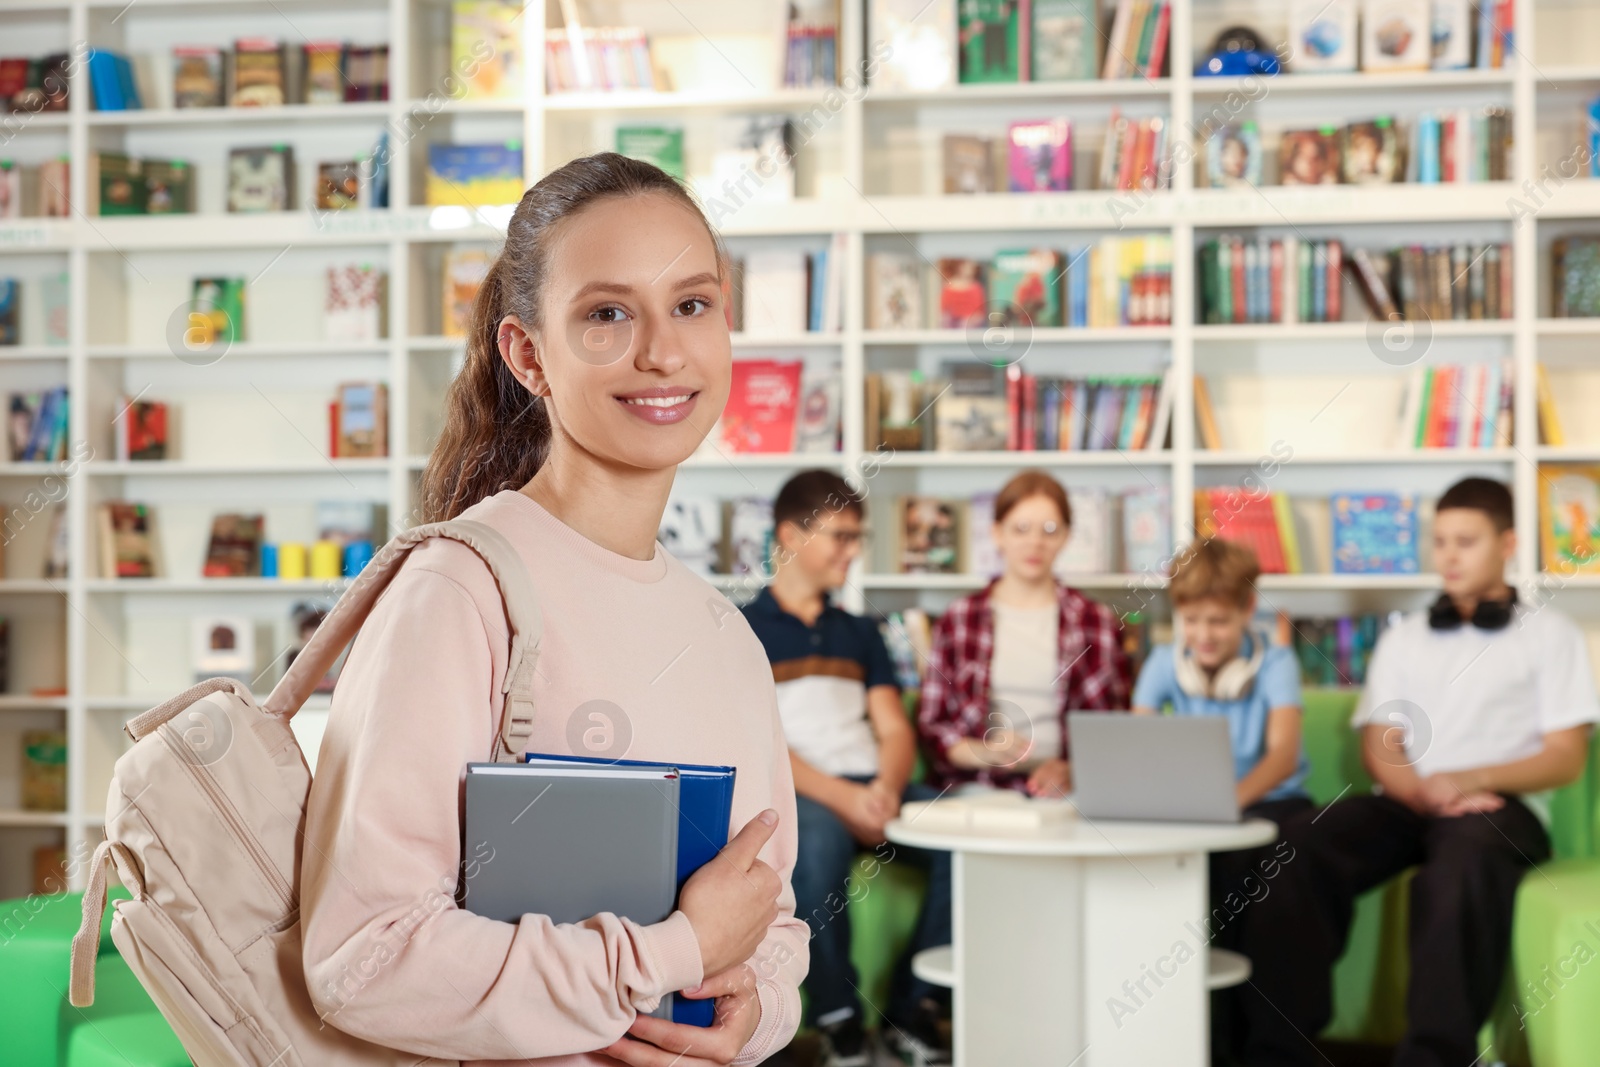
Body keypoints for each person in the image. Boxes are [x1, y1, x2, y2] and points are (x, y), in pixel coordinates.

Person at [298, 153, 807, 1067]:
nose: (662, 351)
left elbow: (770, 924)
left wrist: (756, 1011)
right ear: (528, 354)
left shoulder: (728, 637)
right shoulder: (459, 589)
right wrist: (672, 954)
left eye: (691, 304)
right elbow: (364, 956)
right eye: (607, 314)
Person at [1236, 477, 1600, 1067]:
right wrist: (1422, 790)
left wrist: (1469, 782)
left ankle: (1432, 1059)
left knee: (1457, 871)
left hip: (1499, 809)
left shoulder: (1552, 636)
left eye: (1466, 541)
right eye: (1440, 541)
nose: (1449, 556)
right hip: (1409, 799)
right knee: (1298, 844)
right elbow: (1381, 741)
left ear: (1507, 543)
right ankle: (1278, 1052)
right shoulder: (1403, 638)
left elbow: (1565, 756)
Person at [741, 470, 953, 1067]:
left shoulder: (862, 633)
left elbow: (892, 727)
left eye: (858, 537)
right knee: (814, 843)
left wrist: (885, 789)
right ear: (790, 535)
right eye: (841, 536)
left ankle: (917, 1008)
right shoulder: (743, 631)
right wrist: (844, 799)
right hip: (803, 793)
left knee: (967, 833)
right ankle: (840, 1020)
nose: (854, 551)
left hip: (874, 784)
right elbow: (762, 745)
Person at [1130, 536, 1310, 1063]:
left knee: (1241, 879)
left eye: (1219, 622)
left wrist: (1225, 806)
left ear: (1247, 611)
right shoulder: (1165, 662)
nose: (1203, 636)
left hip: (1268, 803)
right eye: (1192, 622)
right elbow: (1137, 744)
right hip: (1195, 811)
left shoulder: (1275, 663)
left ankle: (1248, 1046)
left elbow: (1281, 756)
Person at [917, 470, 1132, 795]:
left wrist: (1072, 769)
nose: (1035, 542)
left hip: (1067, 789)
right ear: (997, 533)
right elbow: (933, 727)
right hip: (977, 785)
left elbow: (1114, 727)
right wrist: (983, 752)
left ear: (1066, 537)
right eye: (1020, 529)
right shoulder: (959, 619)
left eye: (1049, 530)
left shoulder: (1095, 621)